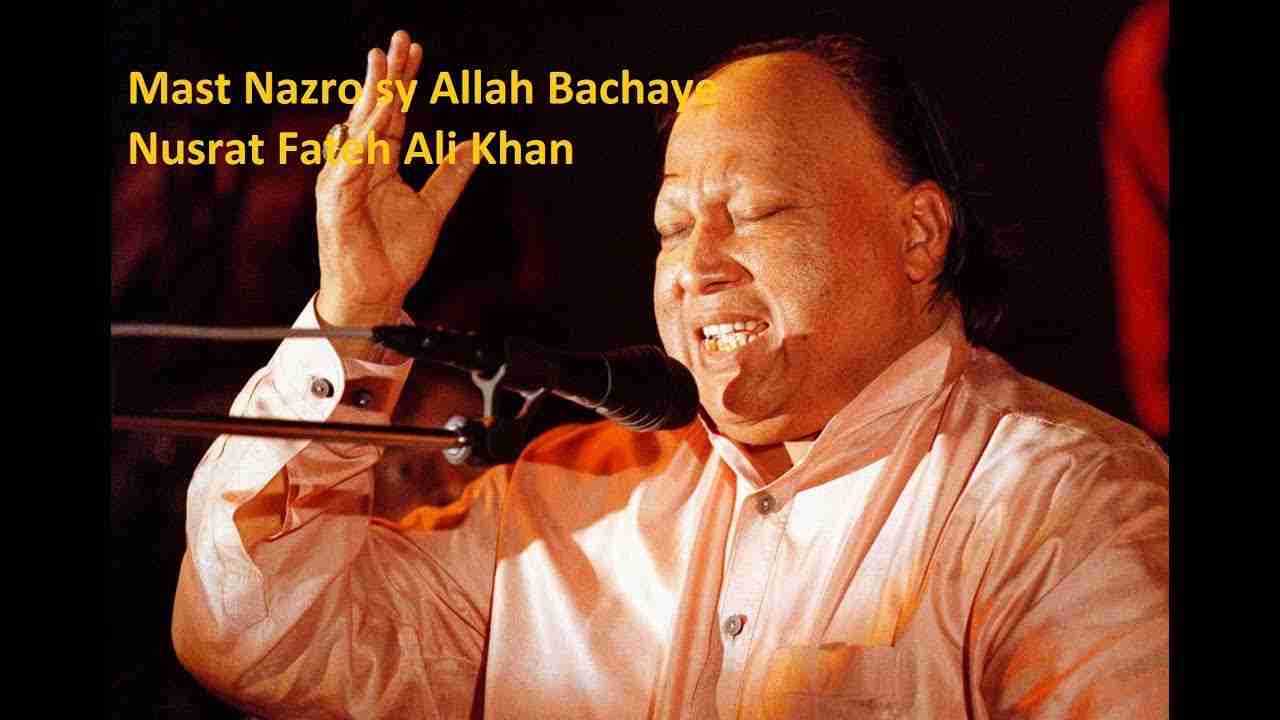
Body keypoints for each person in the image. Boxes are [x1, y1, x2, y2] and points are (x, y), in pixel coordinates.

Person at [172, 30, 1169, 718]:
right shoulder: (561, 499)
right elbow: (255, 638)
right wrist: (350, 314)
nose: (697, 266)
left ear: (916, 236)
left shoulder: (1062, 500)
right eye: (672, 226)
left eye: (758, 212)